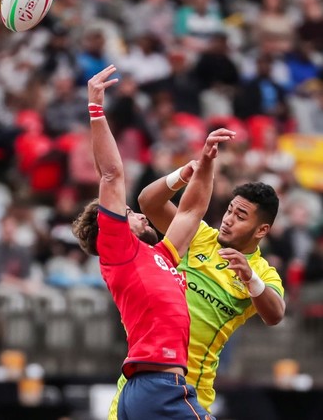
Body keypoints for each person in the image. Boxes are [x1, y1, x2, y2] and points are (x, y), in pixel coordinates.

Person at [72, 64, 236, 419]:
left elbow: (190, 214)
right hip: (159, 387)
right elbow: (113, 174)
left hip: (150, 389)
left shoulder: (161, 255)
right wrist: (96, 108)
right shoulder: (117, 251)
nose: (139, 214)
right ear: (111, 227)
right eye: (129, 213)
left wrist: (206, 161)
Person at [108, 172, 285, 418]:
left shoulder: (263, 274)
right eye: (229, 211)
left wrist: (249, 277)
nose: (228, 220)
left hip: (190, 390)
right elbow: (148, 203)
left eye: (240, 216)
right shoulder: (199, 236)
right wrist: (184, 174)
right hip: (141, 381)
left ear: (261, 229)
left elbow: (275, 314)